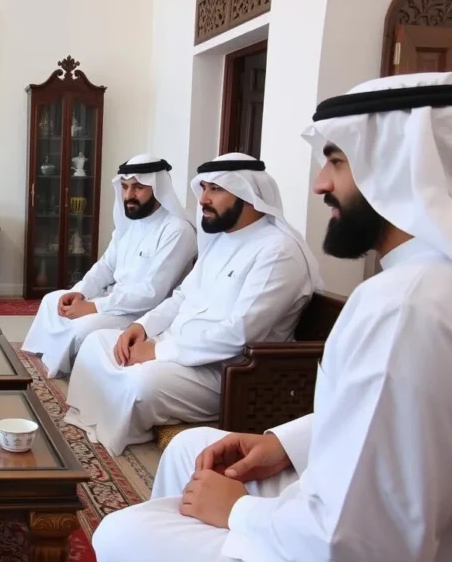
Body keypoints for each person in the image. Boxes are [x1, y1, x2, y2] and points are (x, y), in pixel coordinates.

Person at [91, 72, 452, 562]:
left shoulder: (403, 303)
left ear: (401, 167)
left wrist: (239, 513)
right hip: (333, 501)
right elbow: (379, 427)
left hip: (327, 527)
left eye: (336, 162)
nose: (321, 184)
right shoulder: (414, 285)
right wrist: (283, 442)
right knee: (189, 451)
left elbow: (358, 541)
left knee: (119, 533)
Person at [65, 153, 320, 456]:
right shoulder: (223, 240)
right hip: (176, 346)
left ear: (248, 194)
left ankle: (119, 425)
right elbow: (182, 297)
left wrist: (158, 352)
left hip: (225, 369)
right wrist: (141, 328)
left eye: (216, 189)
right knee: (97, 344)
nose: (203, 200)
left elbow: (239, 334)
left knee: (139, 383)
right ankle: (102, 418)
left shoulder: (279, 252)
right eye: (204, 189)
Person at [22, 154, 196, 378]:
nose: (129, 195)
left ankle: (71, 375)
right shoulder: (130, 224)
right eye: (124, 187)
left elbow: (152, 293)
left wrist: (94, 307)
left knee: (81, 328)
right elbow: (105, 266)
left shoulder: (177, 230)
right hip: (114, 299)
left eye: (138, 188)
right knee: (51, 301)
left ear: (157, 188)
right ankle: (46, 363)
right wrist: (80, 292)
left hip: (143, 311)